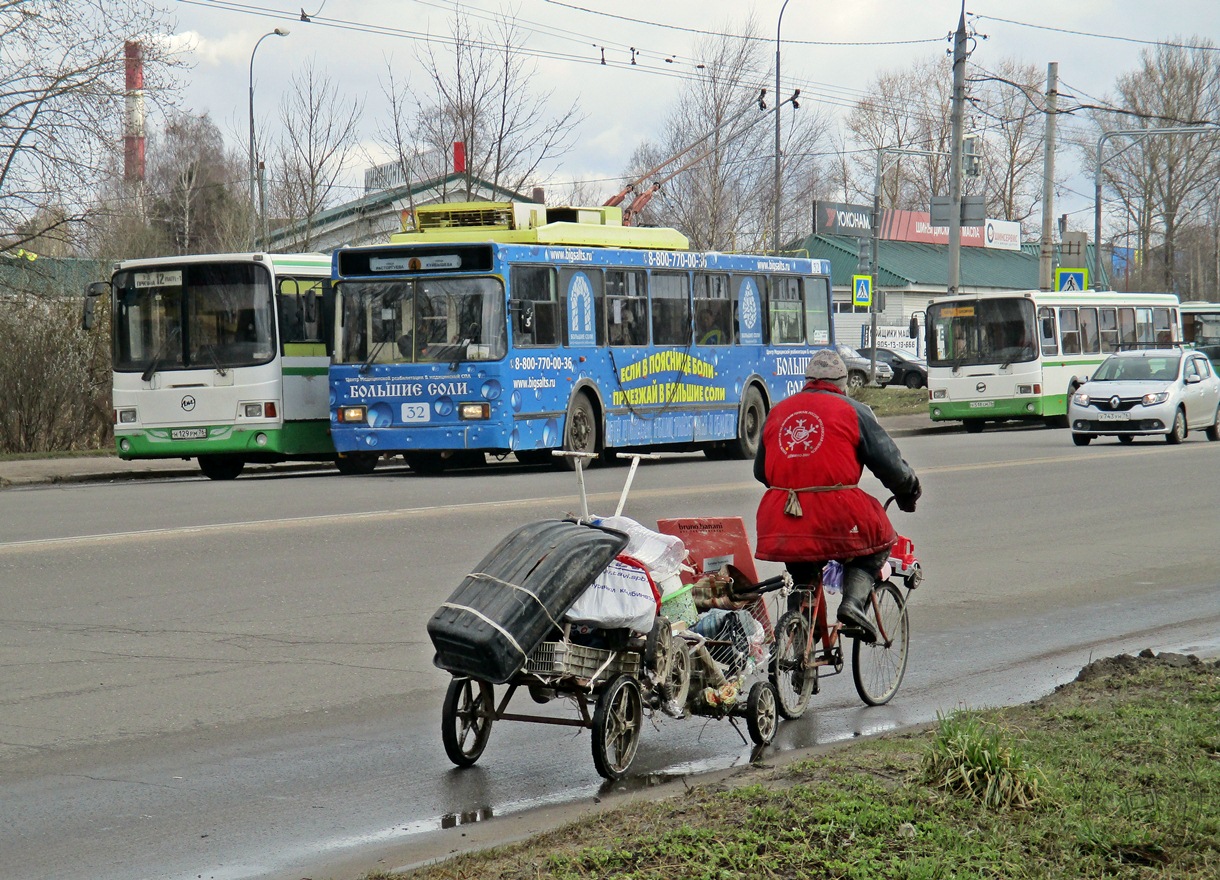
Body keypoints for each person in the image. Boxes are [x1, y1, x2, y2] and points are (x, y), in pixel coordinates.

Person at [753, 348, 921, 641]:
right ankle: (853, 605)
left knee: (802, 571)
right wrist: (909, 491)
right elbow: (890, 465)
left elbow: (761, 472)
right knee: (880, 539)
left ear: (806, 381)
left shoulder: (778, 411)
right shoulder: (854, 411)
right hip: (835, 514)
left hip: (780, 517)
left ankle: (798, 637)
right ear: (843, 385)